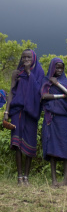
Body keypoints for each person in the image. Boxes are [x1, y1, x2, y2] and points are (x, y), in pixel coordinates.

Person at [3, 49, 44, 185]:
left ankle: (27, 176)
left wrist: (28, 73)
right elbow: (11, 93)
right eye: (23, 57)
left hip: (31, 113)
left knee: (30, 143)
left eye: (28, 57)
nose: (26, 59)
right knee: (17, 144)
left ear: (33, 58)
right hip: (17, 111)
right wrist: (6, 112)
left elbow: (39, 91)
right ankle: (20, 177)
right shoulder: (16, 73)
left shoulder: (39, 72)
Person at [41, 58, 67, 187]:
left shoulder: (64, 81)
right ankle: (54, 180)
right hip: (51, 118)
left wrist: (57, 84)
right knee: (52, 148)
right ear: (52, 68)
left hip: (63, 118)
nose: (59, 70)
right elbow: (43, 96)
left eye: (61, 68)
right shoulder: (46, 81)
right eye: (57, 68)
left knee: (66, 147)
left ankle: (65, 180)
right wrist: (62, 95)